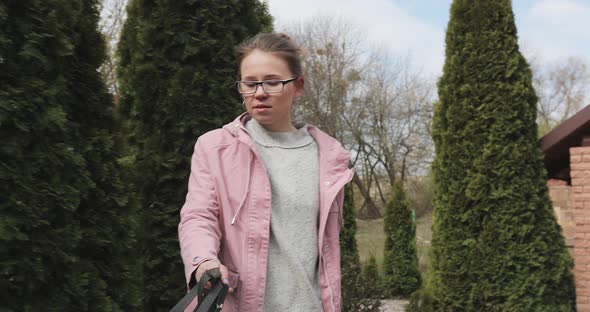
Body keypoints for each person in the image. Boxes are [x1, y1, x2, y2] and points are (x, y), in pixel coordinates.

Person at [178, 32, 353, 312]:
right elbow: (198, 216)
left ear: (298, 86)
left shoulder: (329, 158)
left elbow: (326, 251)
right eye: (250, 84)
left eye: (272, 82)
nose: (259, 93)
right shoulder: (215, 148)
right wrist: (204, 261)